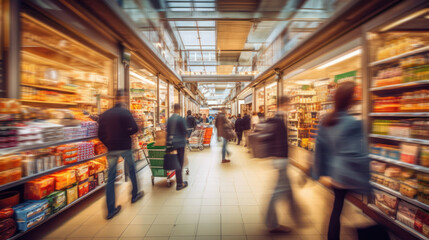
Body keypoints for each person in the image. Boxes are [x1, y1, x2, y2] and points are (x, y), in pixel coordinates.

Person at [313, 82, 371, 240]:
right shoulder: (354, 123)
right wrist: (367, 181)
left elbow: (319, 148)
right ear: (351, 100)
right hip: (350, 175)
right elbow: (358, 153)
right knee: (355, 214)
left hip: (335, 175)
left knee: (336, 209)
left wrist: (317, 173)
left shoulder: (326, 120)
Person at [98, 89, 144, 220]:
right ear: (123, 97)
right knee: (132, 170)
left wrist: (107, 143)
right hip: (125, 147)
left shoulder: (105, 114)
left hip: (111, 149)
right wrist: (126, 133)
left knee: (111, 179)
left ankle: (110, 210)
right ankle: (135, 195)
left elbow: (99, 134)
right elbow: (134, 129)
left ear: (115, 98)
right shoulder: (125, 112)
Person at [265, 95, 300, 233]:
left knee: (287, 189)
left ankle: (297, 215)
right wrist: (283, 158)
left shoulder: (277, 118)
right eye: (288, 104)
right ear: (283, 104)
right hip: (281, 160)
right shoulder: (279, 120)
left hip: (280, 159)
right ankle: (271, 223)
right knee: (278, 192)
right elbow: (279, 142)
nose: (290, 107)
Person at [166, 104, 189, 191]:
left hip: (172, 144)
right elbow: (185, 130)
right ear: (179, 109)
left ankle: (177, 180)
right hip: (180, 144)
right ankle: (180, 183)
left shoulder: (169, 119)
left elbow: (167, 132)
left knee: (175, 162)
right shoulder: (180, 119)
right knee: (180, 163)